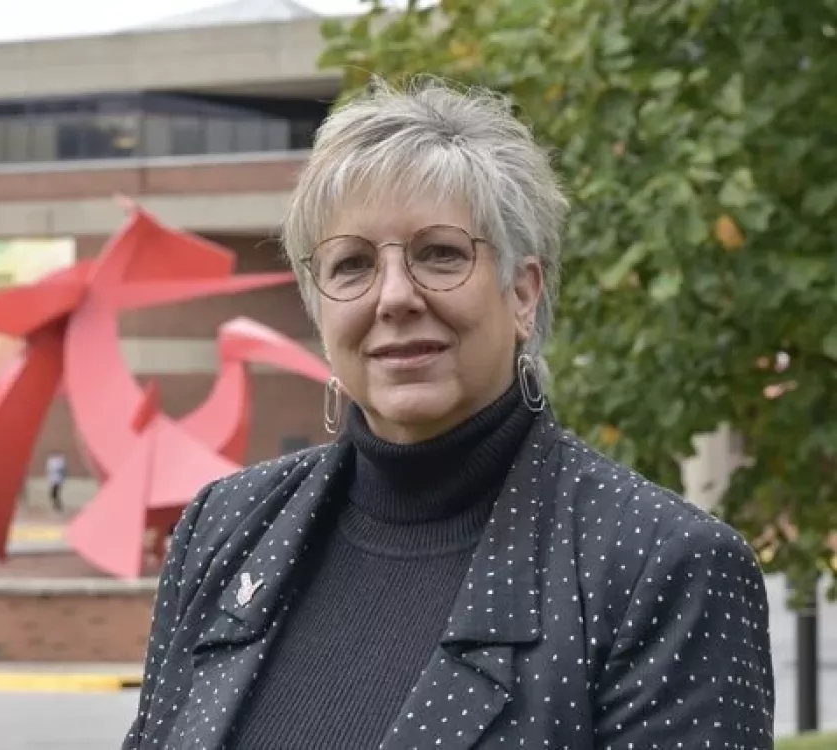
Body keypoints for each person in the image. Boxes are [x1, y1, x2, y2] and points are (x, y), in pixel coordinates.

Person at [122, 77, 775, 750]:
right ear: (319, 310)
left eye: (440, 254)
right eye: (352, 265)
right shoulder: (225, 533)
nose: (395, 296)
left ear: (522, 294)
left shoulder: (661, 569)